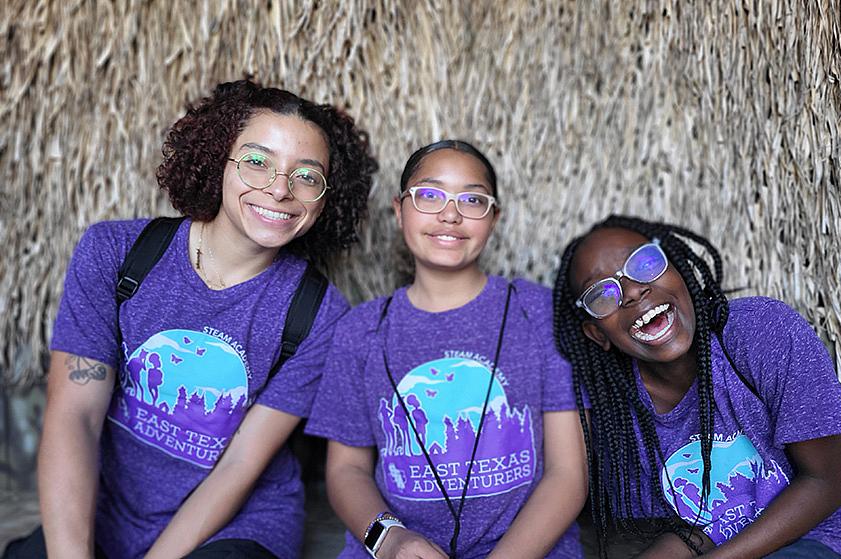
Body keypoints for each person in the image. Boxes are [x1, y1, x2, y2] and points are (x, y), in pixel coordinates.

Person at [4, 79, 377, 559]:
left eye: (307, 176)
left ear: (325, 198)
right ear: (217, 159)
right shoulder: (116, 254)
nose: (280, 189)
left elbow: (239, 465)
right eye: (257, 162)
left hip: (234, 528)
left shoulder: (318, 314)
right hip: (105, 513)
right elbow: (75, 414)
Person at [305, 140, 587, 558]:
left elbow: (568, 474)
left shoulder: (538, 313)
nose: (450, 213)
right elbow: (347, 470)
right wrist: (391, 539)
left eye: (472, 199)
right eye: (429, 195)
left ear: (494, 219)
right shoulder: (362, 330)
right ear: (399, 211)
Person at [552, 215, 841, 558]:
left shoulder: (763, 332)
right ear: (597, 333)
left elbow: (827, 481)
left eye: (644, 263)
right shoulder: (620, 414)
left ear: (678, 267)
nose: (632, 291)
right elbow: (697, 528)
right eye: (602, 294)